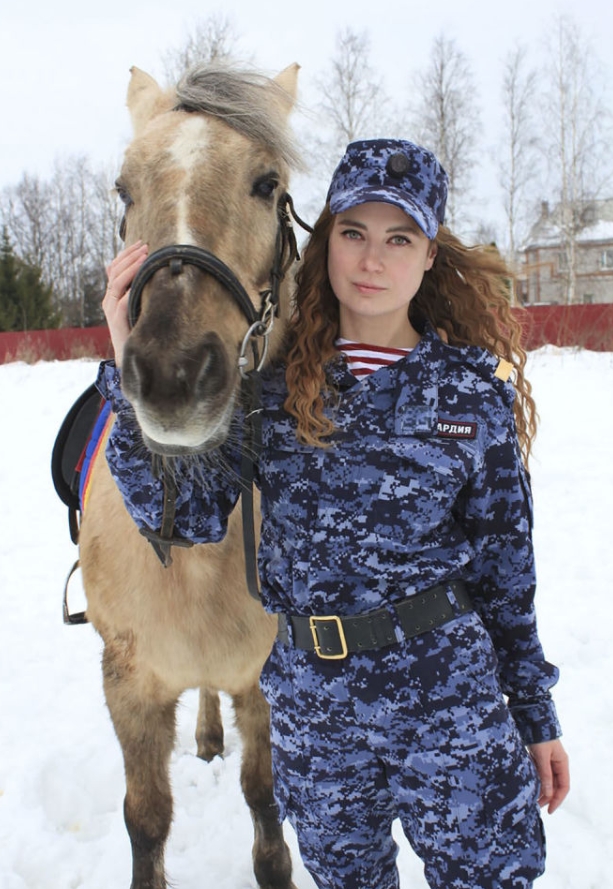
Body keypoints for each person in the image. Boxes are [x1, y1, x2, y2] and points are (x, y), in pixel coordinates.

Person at [99, 139, 569, 889]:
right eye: (352, 233)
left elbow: (506, 576)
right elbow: (180, 515)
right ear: (323, 248)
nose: (371, 260)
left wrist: (533, 712)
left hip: (447, 700)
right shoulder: (271, 396)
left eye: (398, 238)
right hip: (317, 712)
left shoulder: (470, 397)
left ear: (427, 258)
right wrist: (128, 360)